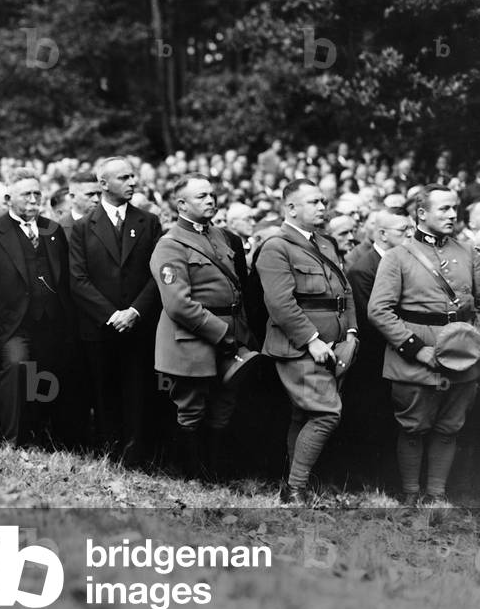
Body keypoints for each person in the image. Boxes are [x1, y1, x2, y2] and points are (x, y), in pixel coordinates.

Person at [368, 185, 480, 505]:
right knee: (413, 427)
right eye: (443, 209)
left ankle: (436, 495)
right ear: (421, 213)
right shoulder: (397, 256)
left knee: (449, 428)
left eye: (454, 208)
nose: (452, 214)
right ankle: (410, 497)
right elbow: (379, 311)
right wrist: (418, 350)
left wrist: (475, 342)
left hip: (462, 354)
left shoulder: (467, 252)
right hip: (415, 357)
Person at [255, 179, 359, 504]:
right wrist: (311, 339)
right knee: (326, 413)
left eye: (323, 202)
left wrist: (352, 334)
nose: (321, 208)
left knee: (305, 415)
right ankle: (294, 489)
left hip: (335, 345)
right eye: (313, 202)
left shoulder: (326, 244)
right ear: (290, 208)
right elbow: (281, 304)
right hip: (300, 348)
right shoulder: (276, 246)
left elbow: (345, 293)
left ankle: (297, 482)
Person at [150, 174, 253, 479]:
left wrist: (240, 332)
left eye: (211, 195)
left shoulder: (221, 237)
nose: (210, 200)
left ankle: (215, 473)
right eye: (201, 197)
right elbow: (178, 304)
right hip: (194, 337)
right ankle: (192, 477)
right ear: (181, 204)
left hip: (231, 332)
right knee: (191, 408)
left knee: (224, 405)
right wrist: (222, 334)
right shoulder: (170, 245)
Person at [0, 167, 74, 442]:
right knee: (16, 369)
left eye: (37, 193)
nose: (33, 200)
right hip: (12, 325)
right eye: (26, 194)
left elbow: (63, 281)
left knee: (47, 377)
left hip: (50, 322)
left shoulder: (53, 230)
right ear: (9, 197)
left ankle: (43, 437)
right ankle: (11, 439)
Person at [69, 156, 162, 465]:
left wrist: (134, 312)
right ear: (104, 184)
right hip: (100, 327)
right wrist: (112, 315)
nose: (132, 182)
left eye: (133, 176)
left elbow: (156, 274)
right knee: (104, 393)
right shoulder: (83, 227)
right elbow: (78, 279)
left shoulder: (148, 222)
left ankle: (137, 458)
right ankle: (110, 454)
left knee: (138, 393)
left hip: (138, 326)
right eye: (124, 177)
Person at [343, 208, 411, 487]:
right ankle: (373, 480)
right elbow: (373, 321)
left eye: (411, 229)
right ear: (382, 234)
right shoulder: (363, 270)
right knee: (375, 417)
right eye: (402, 231)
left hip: (397, 351)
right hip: (376, 357)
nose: (410, 235)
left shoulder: (405, 261)